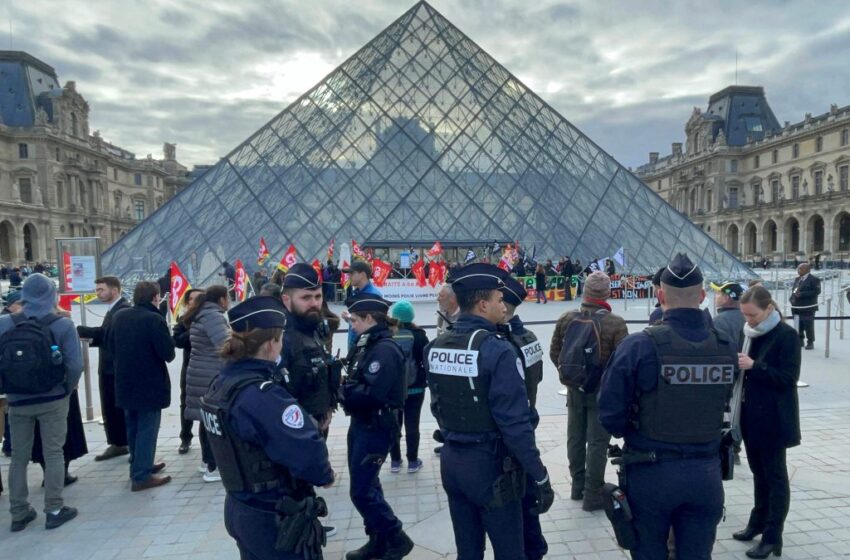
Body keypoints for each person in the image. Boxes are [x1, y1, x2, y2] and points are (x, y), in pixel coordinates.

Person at [598, 253, 736, 560]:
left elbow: (609, 414)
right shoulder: (725, 345)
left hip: (651, 472)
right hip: (706, 472)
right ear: (702, 296)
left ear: (659, 295)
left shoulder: (639, 346)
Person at [425, 263, 553, 560]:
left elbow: (438, 405)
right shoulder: (497, 350)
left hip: (453, 460)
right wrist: (539, 475)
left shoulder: (435, 346)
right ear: (483, 304)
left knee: (468, 551)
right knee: (510, 552)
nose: (502, 307)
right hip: (492, 467)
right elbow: (515, 424)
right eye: (498, 300)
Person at [200, 296, 335, 560]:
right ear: (272, 342)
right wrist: (325, 476)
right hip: (276, 515)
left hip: (241, 506)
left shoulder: (221, 384)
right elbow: (307, 450)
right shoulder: (263, 395)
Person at [0, 273, 82, 530]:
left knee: (19, 457)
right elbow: (75, 365)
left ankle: (18, 512)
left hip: (17, 399)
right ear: (51, 295)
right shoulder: (62, 324)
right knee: (54, 452)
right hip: (53, 396)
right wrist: (66, 390)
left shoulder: (4, 323)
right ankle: (54, 508)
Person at [341, 294, 413, 560]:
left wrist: (341, 391)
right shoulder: (368, 343)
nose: (353, 325)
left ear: (370, 318)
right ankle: (378, 539)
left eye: (356, 320)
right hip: (362, 423)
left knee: (360, 492)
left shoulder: (384, 349)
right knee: (368, 485)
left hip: (376, 425)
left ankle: (396, 537)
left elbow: (372, 394)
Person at [550, 271, 628, 511]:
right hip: (602, 391)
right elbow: (623, 361)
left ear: (585, 292)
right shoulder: (615, 323)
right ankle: (592, 494)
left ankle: (577, 486)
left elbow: (555, 353)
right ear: (607, 293)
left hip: (574, 388)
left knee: (575, 436)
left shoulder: (566, 318)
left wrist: (573, 378)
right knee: (597, 441)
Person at [734, 286, 801, 558]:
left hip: (774, 418)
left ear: (769, 309)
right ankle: (757, 522)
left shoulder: (787, 336)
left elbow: (788, 379)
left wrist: (755, 366)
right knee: (758, 474)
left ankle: (773, 536)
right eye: (745, 315)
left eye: (753, 315)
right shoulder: (748, 334)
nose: (748, 320)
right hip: (750, 416)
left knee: (775, 478)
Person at [109, 281, 176, 491]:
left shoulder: (119, 316)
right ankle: (142, 475)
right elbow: (169, 354)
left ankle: (138, 465)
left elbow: (110, 346)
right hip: (149, 384)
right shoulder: (154, 319)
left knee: (134, 427)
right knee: (148, 428)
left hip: (125, 381)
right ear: (155, 297)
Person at [499, 274, 548, 560]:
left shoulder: (502, 343)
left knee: (518, 499)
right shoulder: (528, 337)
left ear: (503, 306)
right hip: (528, 421)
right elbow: (537, 378)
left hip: (510, 432)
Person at [76, 276, 131, 462]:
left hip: (114, 368)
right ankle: (118, 442)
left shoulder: (122, 309)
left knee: (115, 407)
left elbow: (107, 335)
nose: (97, 293)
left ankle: (120, 443)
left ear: (114, 290)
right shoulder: (114, 309)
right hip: (109, 367)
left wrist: (79, 330)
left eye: (101, 289)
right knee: (110, 407)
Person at [183, 285, 231, 482]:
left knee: (206, 420)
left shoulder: (202, 313)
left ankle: (206, 462)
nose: (229, 301)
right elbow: (225, 345)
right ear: (221, 299)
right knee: (213, 422)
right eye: (228, 297)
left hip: (200, 372)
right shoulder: (213, 316)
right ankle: (213, 466)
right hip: (211, 374)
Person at [387, 300, 429, 474]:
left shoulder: (388, 334)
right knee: (413, 424)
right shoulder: (419, 335)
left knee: (394, 424)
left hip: (393, 389)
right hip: (416, 387)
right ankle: (413, 461)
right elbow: (425, 361)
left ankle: (395, 461)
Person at [172, 288, 205, 454]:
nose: (194, 301)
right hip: (190, 366)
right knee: (185, 402)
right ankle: (185, 437)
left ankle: (207, 441)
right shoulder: (183, 319)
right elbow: (177, 341)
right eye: (191, 299)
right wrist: (194, 330)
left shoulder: (212, 317)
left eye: (198, 298)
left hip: (208, 367)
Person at [340, 260, 382, 352]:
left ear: (362, 274)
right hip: (356, 341)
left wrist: (350, 317)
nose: (349, 276)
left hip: (364, 345)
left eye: (352, 273)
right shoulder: (357, 292)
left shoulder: (373, 295)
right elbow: (361, 319)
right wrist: (349, 318)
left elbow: (372, 323)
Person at [790, 263, 820, 349]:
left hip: (808, 307)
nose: (798, 270)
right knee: (798, 324)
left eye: (800, 269)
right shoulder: (797, 279)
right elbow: (794, 290)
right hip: (796, 306)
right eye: (798, 268)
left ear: (806, 270)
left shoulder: (814, 279)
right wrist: (791, 298)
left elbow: (817, 291)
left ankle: (810, 342)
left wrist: (802, 294)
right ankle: (800, 340)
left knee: (808, 325)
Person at [710, 280, 745, 350]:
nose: (715, 297)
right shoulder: (748, 317)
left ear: (726, 298)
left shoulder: (718, 321)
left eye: (718, 293)